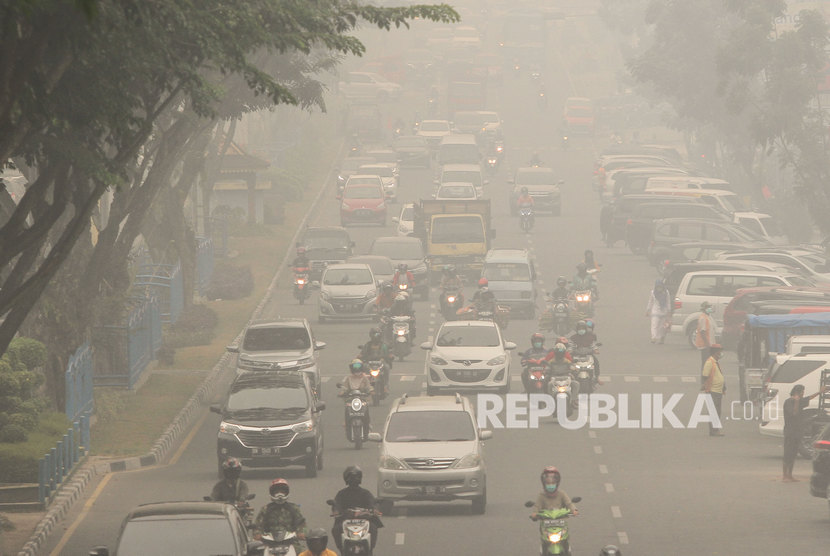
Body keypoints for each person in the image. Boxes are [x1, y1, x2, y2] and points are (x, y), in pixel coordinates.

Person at [332, 466, 382, 552]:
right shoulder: (341, 494)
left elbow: (372, 503)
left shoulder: (366, 493)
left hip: (364, 520)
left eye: (356, 477)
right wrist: (336, 511)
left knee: (373, 527)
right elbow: (337, 505)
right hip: (346, 520)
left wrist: (374, 510)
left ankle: (369, 549)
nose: (353, 480)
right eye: (351, 478)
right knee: (335, 529)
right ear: (346, 479)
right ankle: (342, 550)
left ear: (360, 478)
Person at [783, 384, 826, 481]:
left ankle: (790, 475)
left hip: (797, 431)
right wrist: (797, 402)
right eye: (802, 391)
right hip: (790, 431)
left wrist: (819, 392)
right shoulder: (789, 402)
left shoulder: (800, 401)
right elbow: (794, 413)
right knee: (788, 453)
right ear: (796, 392)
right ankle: (785, 475)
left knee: (793, 453)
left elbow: (809, 398)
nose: (803, 393)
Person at [253, 479, 306, 554]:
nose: (279, 494)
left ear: (287, 492)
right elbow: (257, 525)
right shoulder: (265, 509)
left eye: (282, 492)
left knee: (302, 553)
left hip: (291, 542)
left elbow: (302, 523)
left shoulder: (294, 508)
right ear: (272, 493)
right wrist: (257, 534)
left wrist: (302, 533)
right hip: (268, 542)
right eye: (276, 492)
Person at [340, 359, 373, 433]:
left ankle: (368, 423)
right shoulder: (348, 378)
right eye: (355, 367)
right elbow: (345, 388)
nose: (357, 369)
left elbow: (368, 387)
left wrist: (371, 391)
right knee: (347, 408)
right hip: (351, 399)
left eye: (358, 367)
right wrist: (342, 392)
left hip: (362, 398)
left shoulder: (364, 378)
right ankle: (346, 421)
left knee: (366, 409)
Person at [701, 344, 725, 436]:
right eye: (719, 351)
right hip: (712, 391)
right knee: (714, 411)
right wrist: (706, 387)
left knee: (717, 412)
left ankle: (714, 430)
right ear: (716, 352)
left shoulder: (715, 362)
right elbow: (705, 376)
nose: (721, 353)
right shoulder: (709, 362)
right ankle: (714, 431)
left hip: (718, 391)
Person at [646, 278, 672, 344]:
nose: (659, 289)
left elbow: (668, 302)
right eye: (657, 287)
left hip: (664, 312)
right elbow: (650, 302)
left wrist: (669, 311)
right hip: (655, 312)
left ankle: (661, 338)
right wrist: (648, 310)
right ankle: (654, 337)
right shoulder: (653, 293)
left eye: (660, 287)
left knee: (662, 327)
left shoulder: (666, 293)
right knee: (654, 325)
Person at [695, 301, 716, 370]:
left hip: (709, 344)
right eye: (708, 307)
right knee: (705, 364)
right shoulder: (703, 318)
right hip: (705, 345)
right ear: (704, 309)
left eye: (710, 307)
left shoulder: (709, 317)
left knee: (709, 364)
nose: (710, 308)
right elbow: (703, 332)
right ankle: (704, 379)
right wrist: (708, 345)